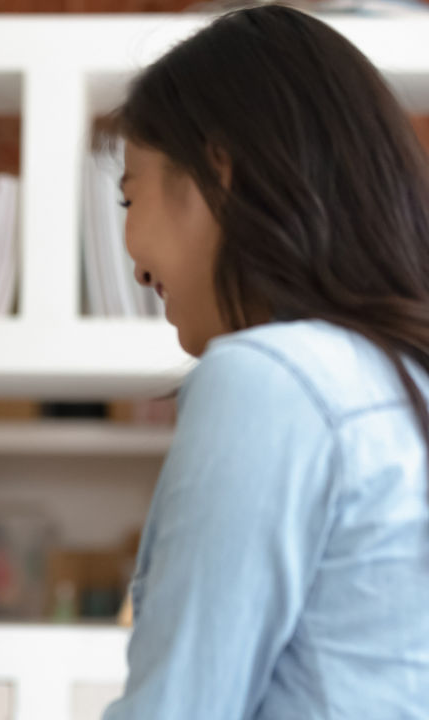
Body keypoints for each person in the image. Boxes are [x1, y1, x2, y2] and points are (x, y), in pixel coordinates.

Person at [103, 5, 429, 718]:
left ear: (219, 169)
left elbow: (181, 706)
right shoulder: (404, 384)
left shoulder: (273, 382)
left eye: (130, 195)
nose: (131, 258)